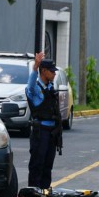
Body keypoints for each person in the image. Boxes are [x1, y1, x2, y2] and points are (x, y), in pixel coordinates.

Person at [25, 52, 63, 189]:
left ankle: (45, 194)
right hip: (40, 132)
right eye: (52, 71)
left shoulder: (50, 88)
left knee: (48, 166)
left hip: (51, 133)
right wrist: (35, 67)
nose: (54, 74)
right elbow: (29, 88)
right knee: (37, 165)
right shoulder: (35, 88)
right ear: (44, 71)